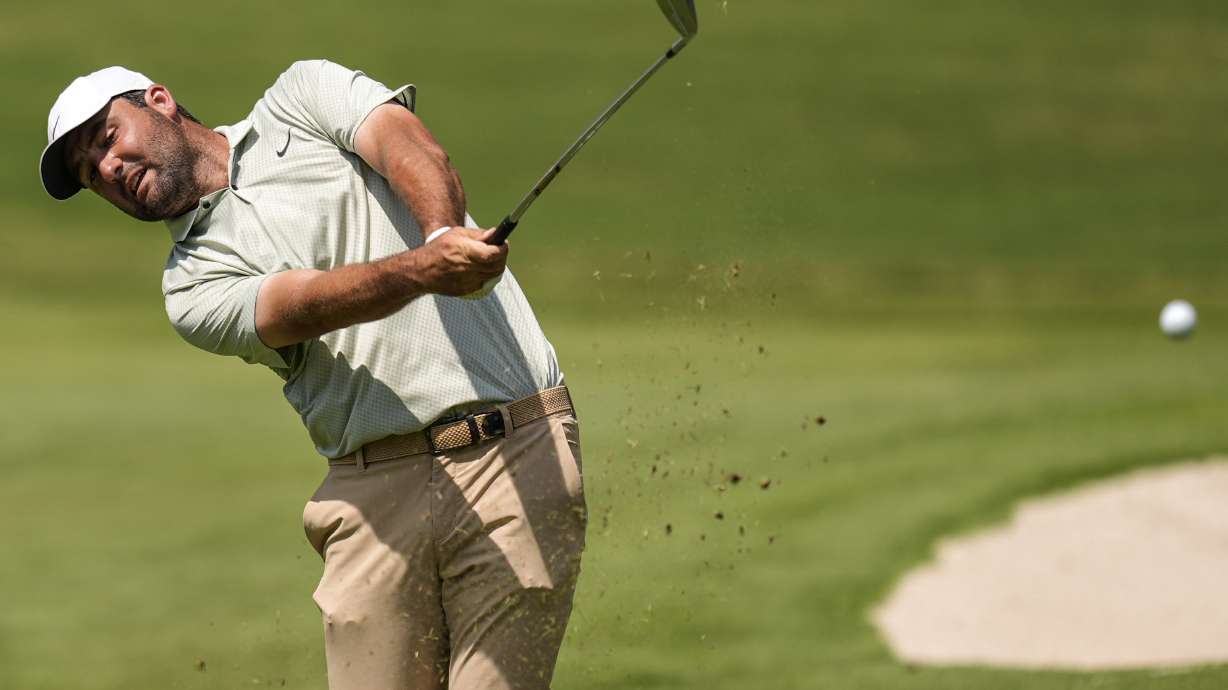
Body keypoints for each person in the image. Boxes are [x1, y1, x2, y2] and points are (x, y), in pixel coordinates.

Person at [39, 60, 587, 690]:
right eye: (90, 174)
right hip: (371, 499)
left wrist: (440, 230)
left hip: (514, 451)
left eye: (107, 139)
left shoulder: (301, 97)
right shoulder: (188, 286)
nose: (107, 170)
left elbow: (403, 142)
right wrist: (424, 268)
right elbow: (304, 304)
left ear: (159, 100)